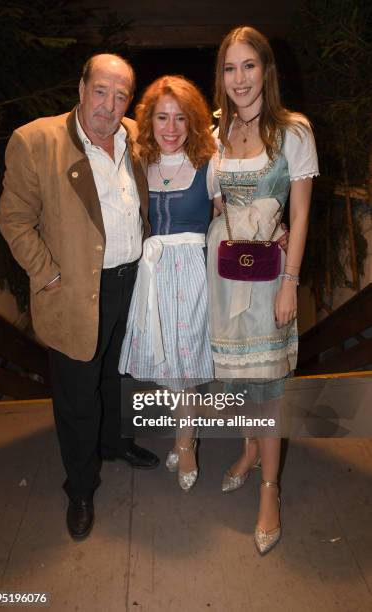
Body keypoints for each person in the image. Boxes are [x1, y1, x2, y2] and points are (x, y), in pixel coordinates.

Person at [0, 54, 159, 541]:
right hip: (73, 291)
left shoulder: (135, 137)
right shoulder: (36, 140)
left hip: (131, 282)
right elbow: (13, 219)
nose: (110, 105)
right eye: (101, 90)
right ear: (82, 86)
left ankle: (116, 444)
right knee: (77, 398)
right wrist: (47, 276)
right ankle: (82, 488)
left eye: (121, 94)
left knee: (119, 374)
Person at [207, 26, 319, 554]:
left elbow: (299, 217)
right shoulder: (218, 134)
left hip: (272, 275)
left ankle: (270, 489)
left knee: (269, 387)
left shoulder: (293, 132)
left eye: (249, 65)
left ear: (266, 70)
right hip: (227, 276)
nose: (239, 78)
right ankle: (250, 451)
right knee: (237, 381)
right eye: (230, 68)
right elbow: (217, 204)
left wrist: (290, 284)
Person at [119, 75, 219, 490]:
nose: (172, 128)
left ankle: (187, 443)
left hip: (195, 272)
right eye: (162, 117)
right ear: (149, 120)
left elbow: (232, 215)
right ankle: (186, 434)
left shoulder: (209, 163)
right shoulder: (139, 162)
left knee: (187, 364)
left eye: (181, 118)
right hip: (154, 273)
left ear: (194, 121)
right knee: (170, 364)